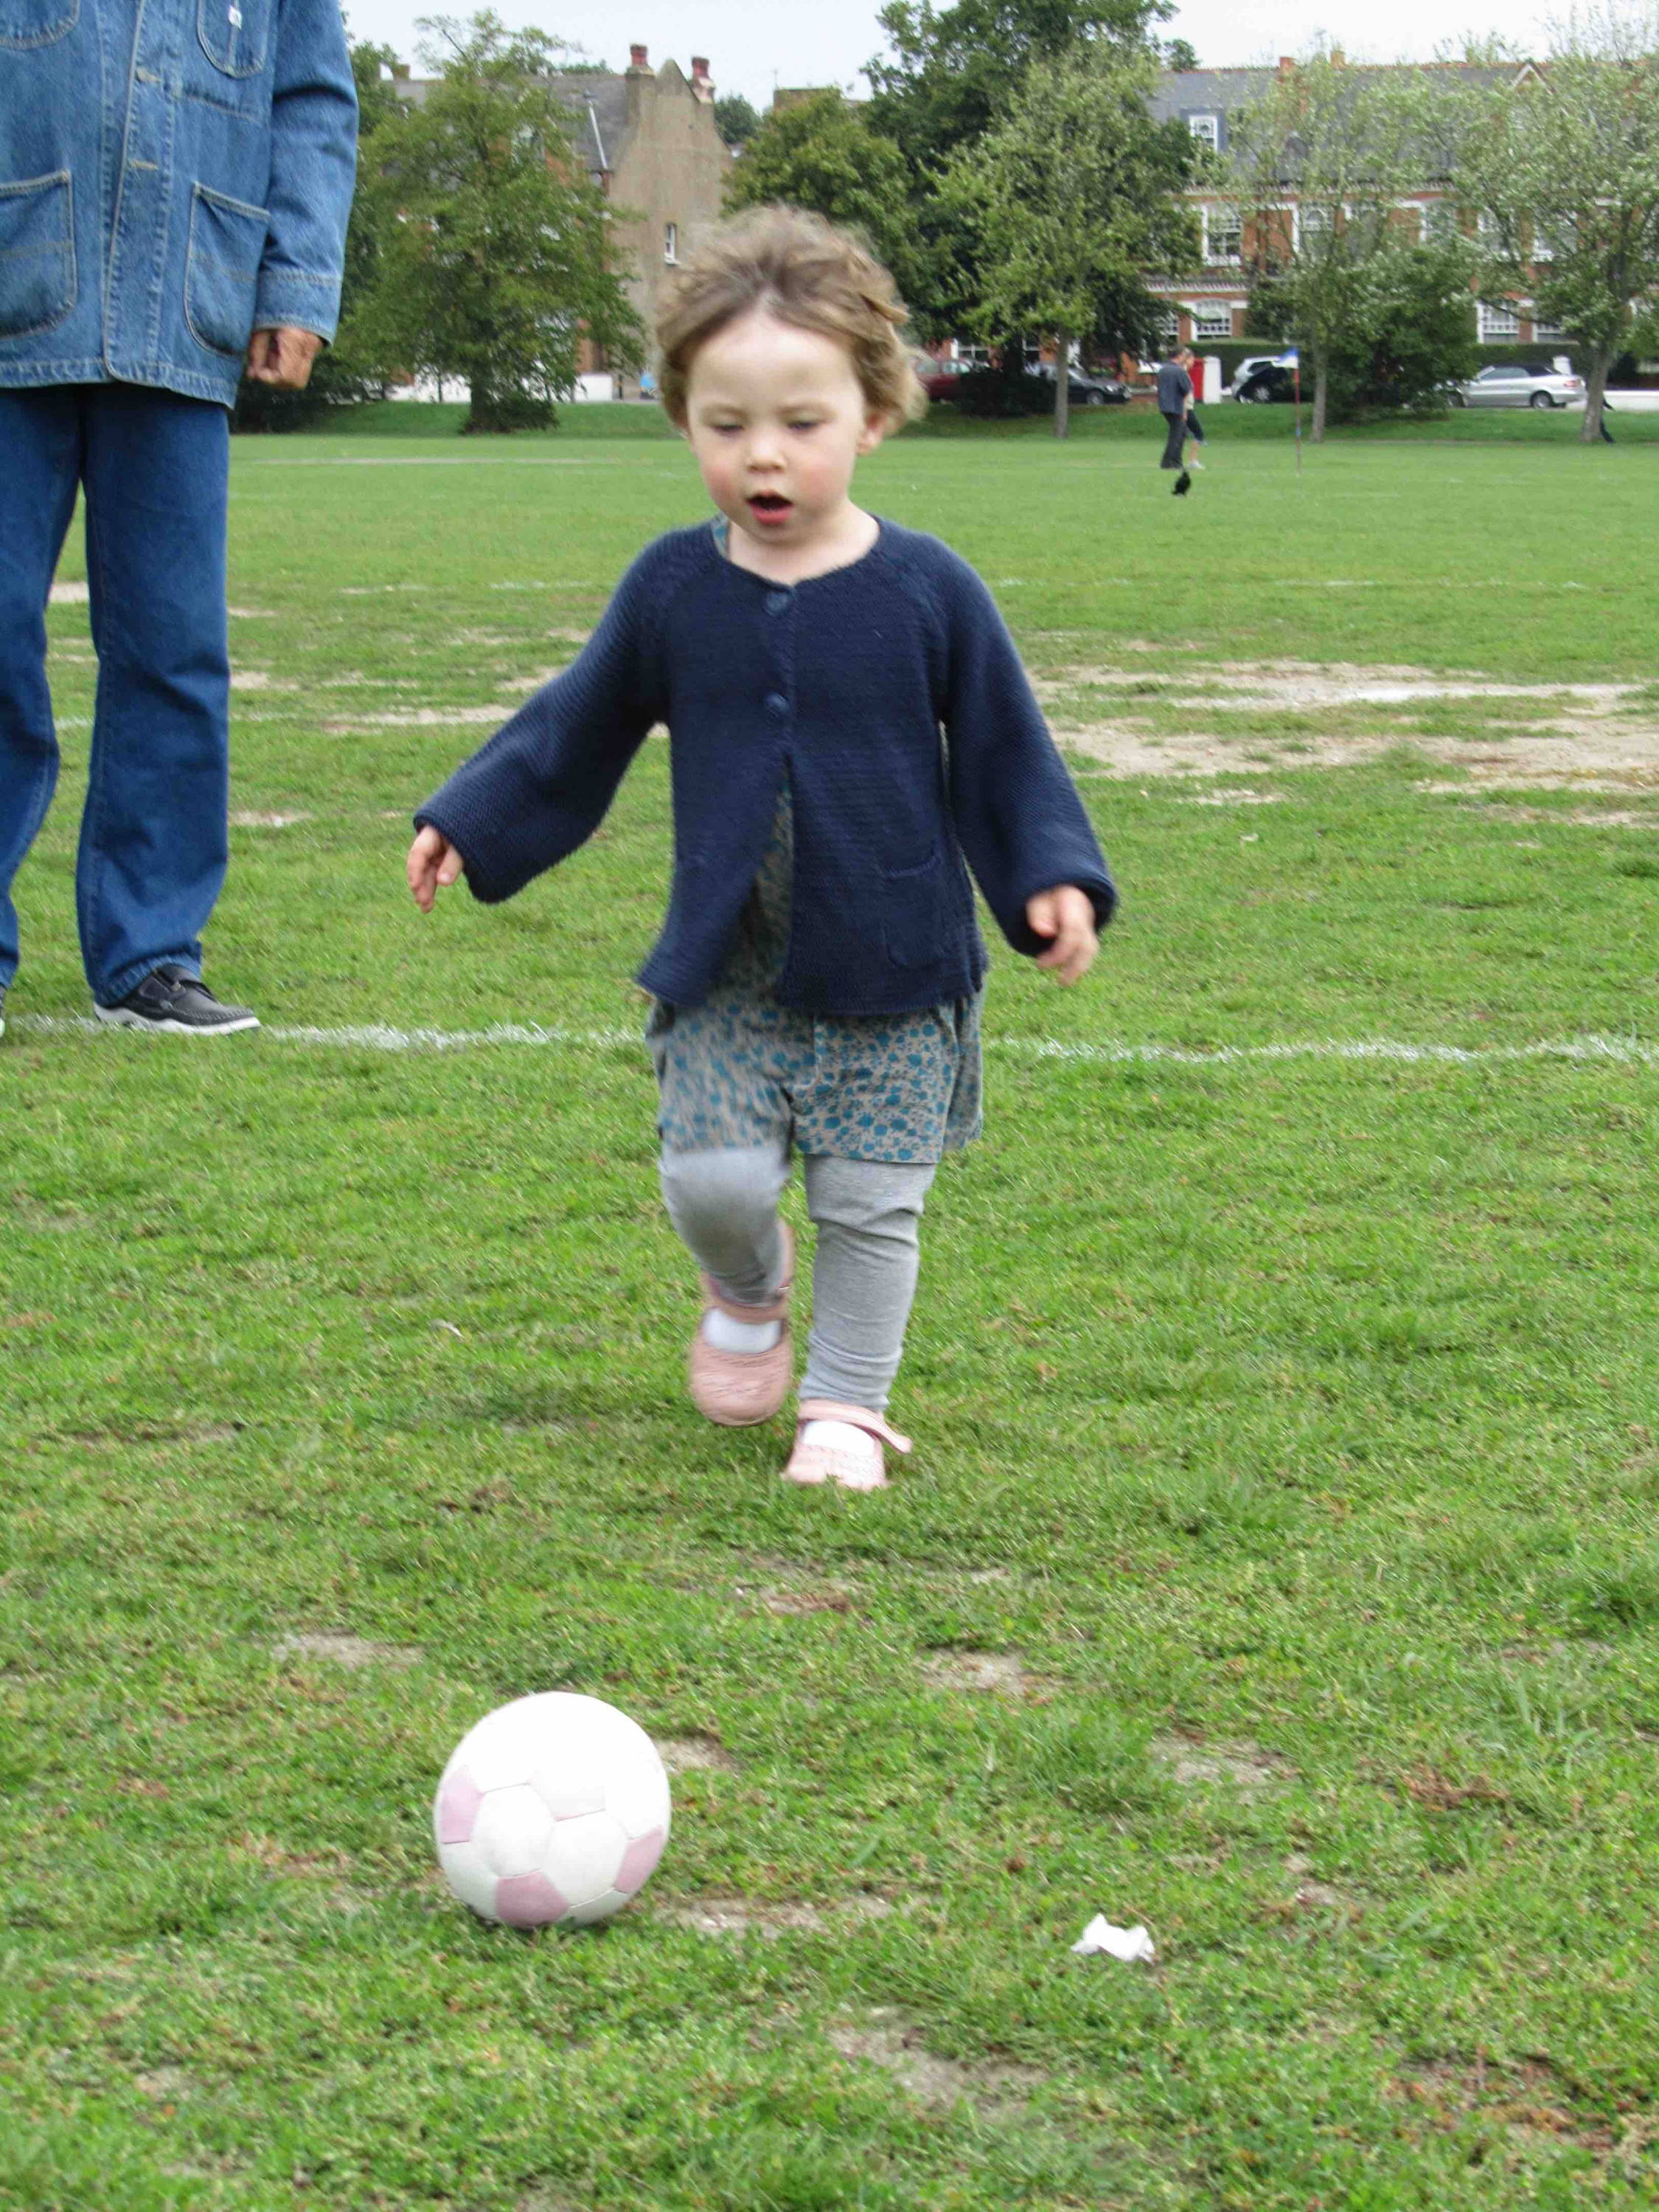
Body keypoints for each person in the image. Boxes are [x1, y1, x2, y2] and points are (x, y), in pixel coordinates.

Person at [407, 206, 1116, 1493]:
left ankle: (846, 1407)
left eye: (802, 422)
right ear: (684, 421)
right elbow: (582, 720)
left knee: (870, 1203)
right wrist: (473, 815)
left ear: (875, 415)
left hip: (896, 969)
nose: (764, 457)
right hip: (728, 966)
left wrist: (1049, 878)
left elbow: (1006, 746)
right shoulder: (675, 588)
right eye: (726, 427)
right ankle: (749, 1290)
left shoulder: (928, 589)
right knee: (718, 1181)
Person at [0, 0, 358, 1040]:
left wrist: (295, 279)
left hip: (183, 310)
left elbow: (311, 105)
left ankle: (150, 953)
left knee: (175, 653)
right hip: (15, 282)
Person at [1157, 344, 1195, 487]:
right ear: (1179, 356)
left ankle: (1177, 461)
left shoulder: (1163, 370)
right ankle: (1168, 462)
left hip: (1164, 406)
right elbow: (1186, 391)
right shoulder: (1179, 371)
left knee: (1182, 432)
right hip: (1176, 406)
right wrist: (1185, 411)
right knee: (1177, 434)